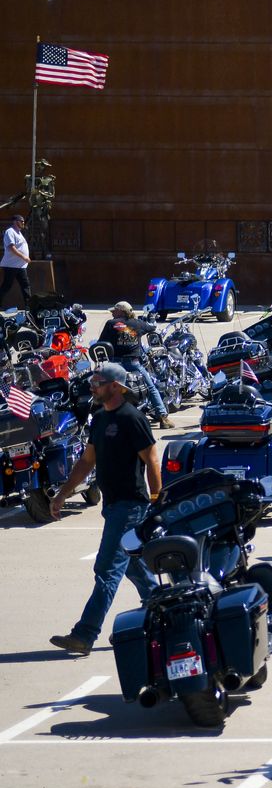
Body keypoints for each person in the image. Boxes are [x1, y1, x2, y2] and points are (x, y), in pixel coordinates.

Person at [47, 363, 162, 656]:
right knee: (135, 568)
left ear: (116, 386)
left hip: (131, 506)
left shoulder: (132, 418)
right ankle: (163, 612)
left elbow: (151, 459)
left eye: (98, 382)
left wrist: (157, 496)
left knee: (107, 570)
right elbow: (86, 462)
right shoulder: (99, 419)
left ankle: (84, 635)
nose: (92, 386)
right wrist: (61, 495)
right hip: (113, 506)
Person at [99, 302, 172, 427]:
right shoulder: (138, 324)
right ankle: (163, 417)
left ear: (121, 311)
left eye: (114, 310)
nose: (112, 313)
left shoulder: (111, 324)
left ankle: (105, 417)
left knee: (105, 388)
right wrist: (150, 319)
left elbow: (101, 342)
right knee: (151, 388)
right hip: (134, 363)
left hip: (116, 364)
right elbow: (152, 327)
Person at [1, 213, 30, 306]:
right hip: (11, 265)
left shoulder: (19, 233)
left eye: (23, 221)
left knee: (25, 285)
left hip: (20, 266)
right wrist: (24, 257)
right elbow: (11, 248)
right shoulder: (10, 231)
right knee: (6, 286)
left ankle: (29, 307)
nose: (23, 222)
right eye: (21, 221)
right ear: (15, 222)